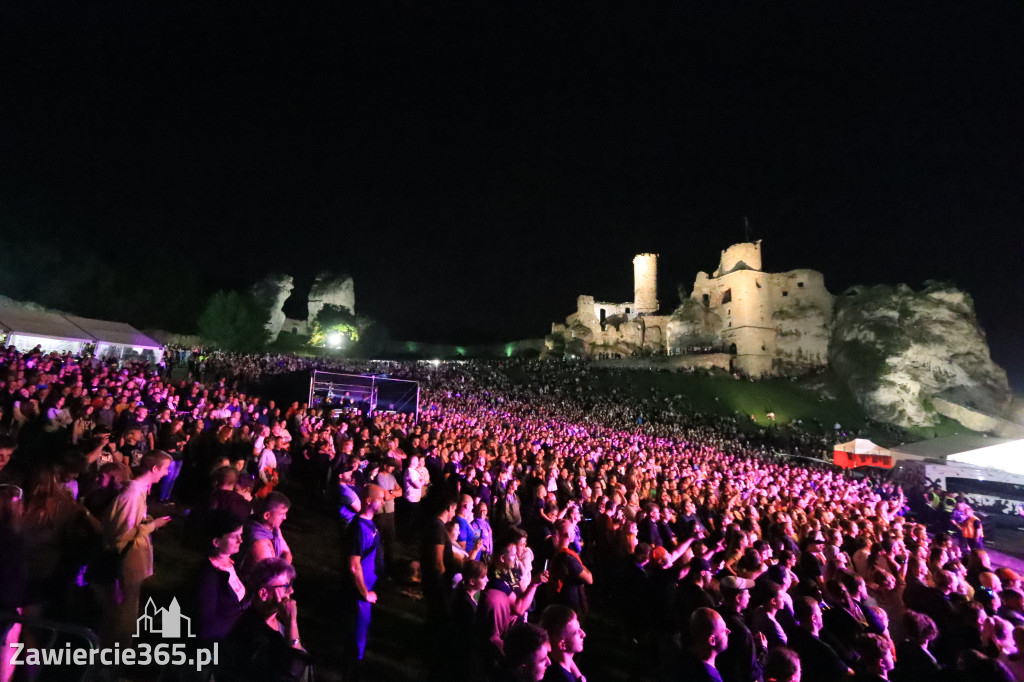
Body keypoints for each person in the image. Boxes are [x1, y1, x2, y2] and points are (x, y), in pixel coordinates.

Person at [99, 450, 173, 645]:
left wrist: (145, 520)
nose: (166, 473)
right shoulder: (132, 493)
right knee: (124, 607)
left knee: (128, 604)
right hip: (128, 559)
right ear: (155, 468)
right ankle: (115, 651)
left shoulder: (139, 491)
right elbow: (120, 533)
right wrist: (152, 526)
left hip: (133, 557)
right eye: (165, 469)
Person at [223, 557, 309, 682]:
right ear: (264, 594)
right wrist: (292, 623)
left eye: (291, 584)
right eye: (285, 586)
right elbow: (293, 672)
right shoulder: (250, 633)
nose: (291, 590)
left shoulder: (278, 621)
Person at [341, 484, 384, 680]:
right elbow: (353, 565)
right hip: (359, 596)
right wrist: (364, 592)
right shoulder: (358, 529)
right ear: (369, 500)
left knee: (362, 636)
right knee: (355, 641)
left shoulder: (371, 524)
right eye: (380, 498)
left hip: (367, 592)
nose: (383, 502)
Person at [193, 510, 246, 643]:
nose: (241, 540)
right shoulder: (208, 577)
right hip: (219, 644)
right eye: (234, 537)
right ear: (216, 542)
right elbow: (206, 627)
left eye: (241, 535)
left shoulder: (233, 564)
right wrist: (240, 620)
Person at [239, 492, 292, 579]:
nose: (285, 517)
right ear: (267, 515)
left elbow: (287, 553)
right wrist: (285, 569)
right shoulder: (258, 543)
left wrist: (283, 568)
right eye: (282, 514)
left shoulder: (274, 529)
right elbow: (271, 577)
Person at [671, 607, 730, 682]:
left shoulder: (683, 660)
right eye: (723, 630)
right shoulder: (711, 678)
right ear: (712, 640)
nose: (728, 631)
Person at [539, 604, 587, 682]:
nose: (583, 634)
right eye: (576, 632)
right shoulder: (561, 678)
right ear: (562, 645)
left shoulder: (561, 667)